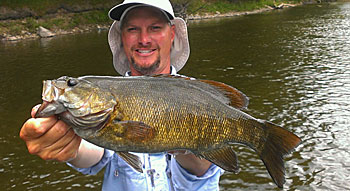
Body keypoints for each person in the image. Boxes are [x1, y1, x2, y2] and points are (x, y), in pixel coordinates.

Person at [20, 0, 224, 190]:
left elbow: (203, 171)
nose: (144, 39)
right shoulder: (105, 95)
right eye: (133, 29)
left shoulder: (200, 95)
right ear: (121, 37)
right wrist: (68, 148)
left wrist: (186, 145)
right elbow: (95, 153)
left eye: (155, 28)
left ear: (172, 34)